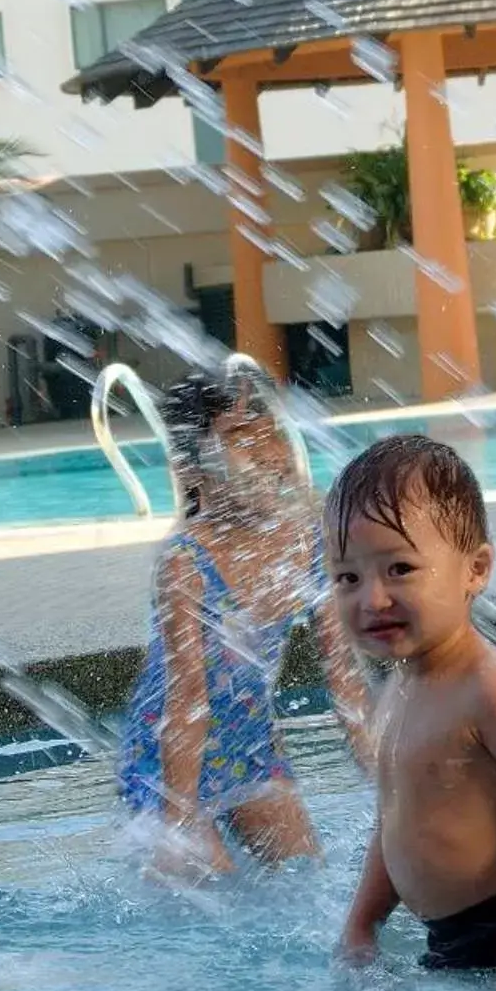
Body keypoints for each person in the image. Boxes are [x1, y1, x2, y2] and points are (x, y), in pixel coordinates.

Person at [330, 435, 496, 979]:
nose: (372, 598)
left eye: (399, 569)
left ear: (475, 569)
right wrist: (362, 923)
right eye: (347, 578)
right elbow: (396, 821)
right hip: (449, 941)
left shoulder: (491, 689)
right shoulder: (394, 692)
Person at [118, 369, 367, 876]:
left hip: (249, 748)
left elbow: (346, 681)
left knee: (307, 878)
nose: (267, 452)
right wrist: (178, 821)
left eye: (269, 431)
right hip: (166, 762)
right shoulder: (186, 562)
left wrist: (396, 793)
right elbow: (187, 703)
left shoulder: (311, 540)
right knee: (205, 895)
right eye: (238, 437)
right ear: (193, 471)